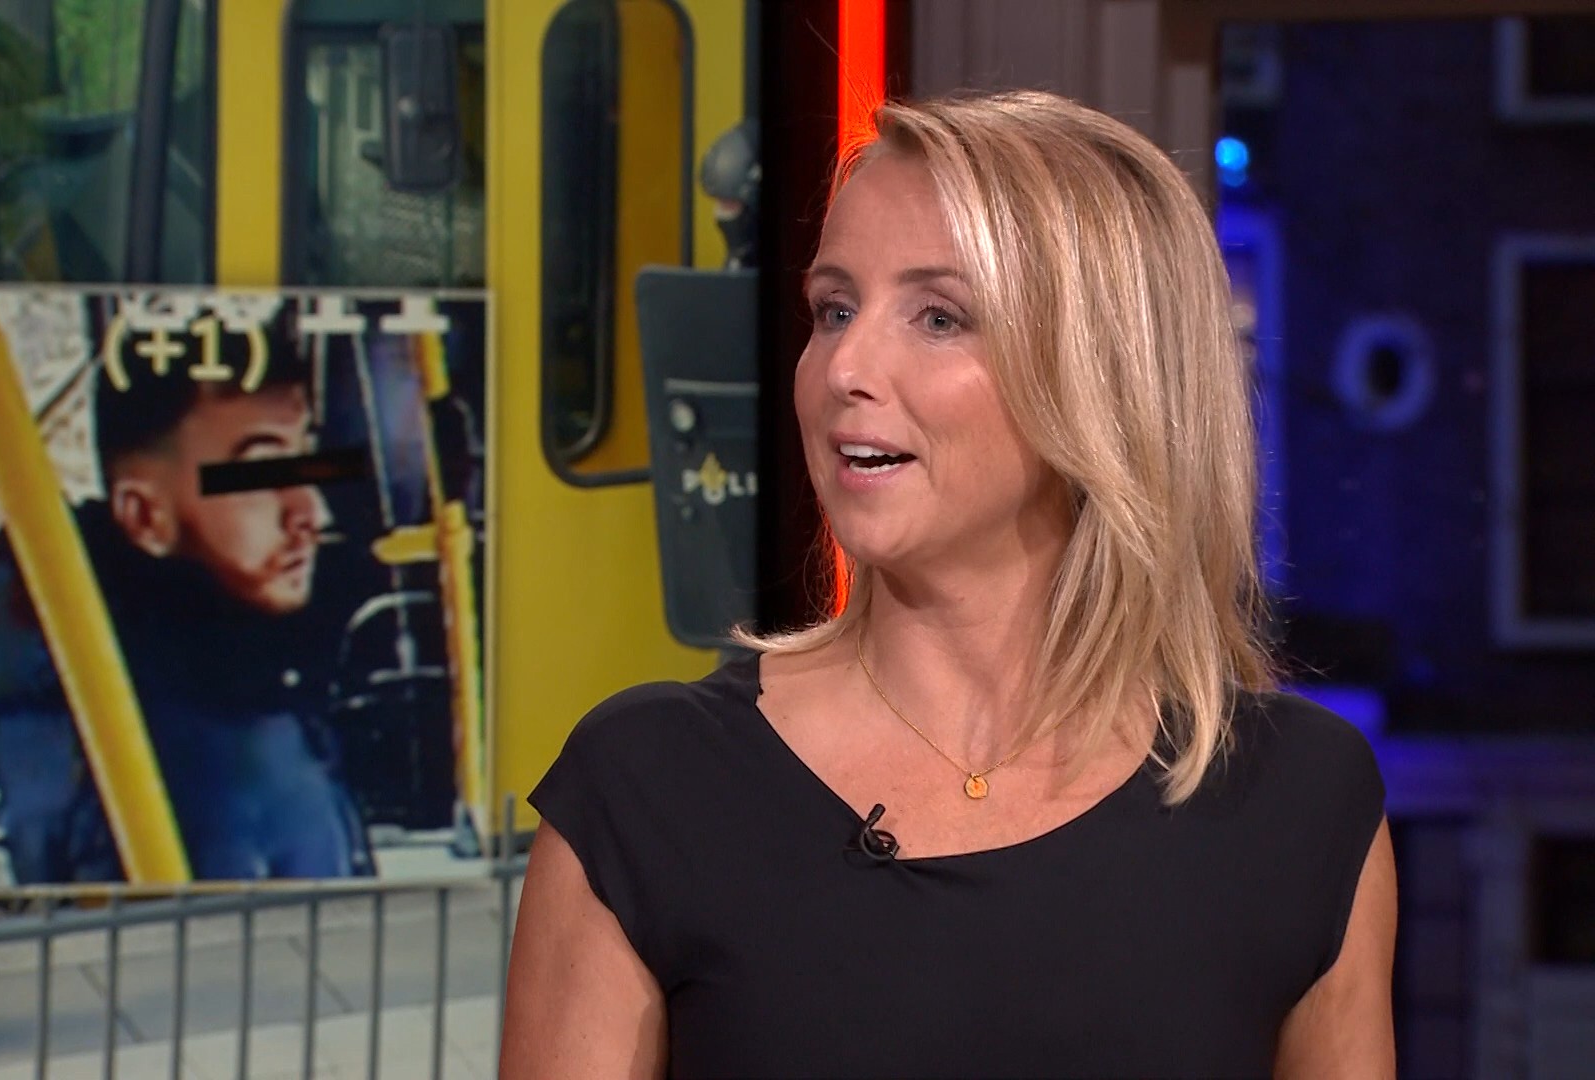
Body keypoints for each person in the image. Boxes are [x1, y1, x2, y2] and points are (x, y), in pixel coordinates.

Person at [502, 90, 1395, 1079]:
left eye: (938, 317)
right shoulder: (646, 789)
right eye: (834, 309)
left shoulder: (1299, 807)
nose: (845, 365)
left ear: (1101, 377)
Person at [0, 334, 375, 885]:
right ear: (144, 516)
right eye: (261, 475)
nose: (312, 513)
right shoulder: (211, 750)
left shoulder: (21, 639)